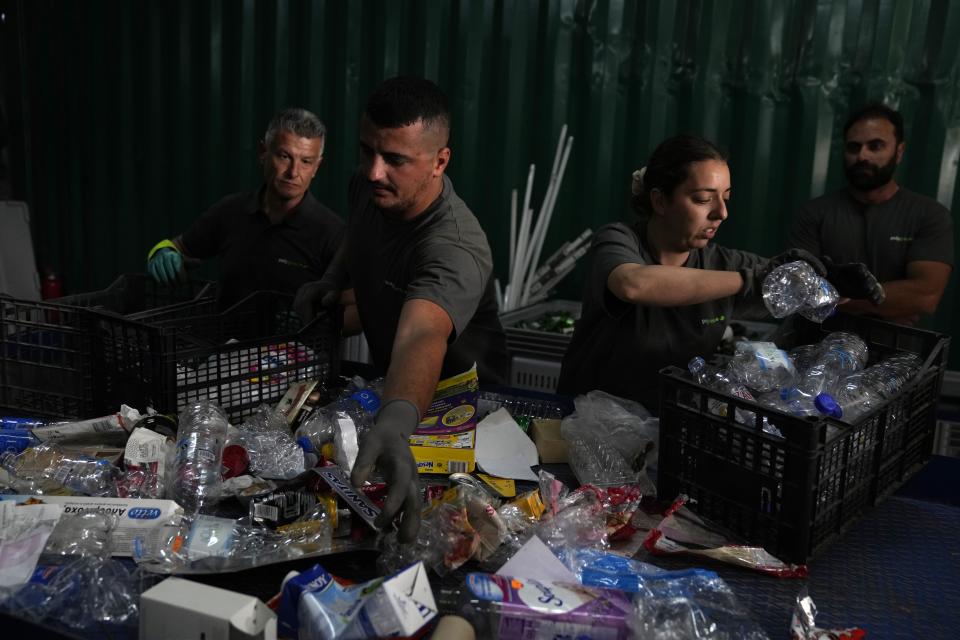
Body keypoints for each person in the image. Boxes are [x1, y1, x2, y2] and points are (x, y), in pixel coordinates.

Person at [295, 77, 508, 542]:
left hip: (467, 424)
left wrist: (394, 424)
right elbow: (356, 234)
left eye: (395, 159)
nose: (374, 171)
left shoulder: (453, 245)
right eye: (367, 150)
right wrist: (332, 280)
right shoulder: (370, 187)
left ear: (439, 162)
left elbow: (420, 334)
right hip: (397, 402)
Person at [557, 134, 871, 412]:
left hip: (663, 424)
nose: (721, 213)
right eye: (703, 199)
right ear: (660, 200)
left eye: (726, 198)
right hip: (585, 418)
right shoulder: (618, 240)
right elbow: (635, 284)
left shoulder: (726, 263)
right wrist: (748, 280)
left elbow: (784, 290)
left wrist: (822, 284)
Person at [146, 108, 345, 310]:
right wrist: (162, 251)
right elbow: (179, 247)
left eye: (306, 162)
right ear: (263, 153)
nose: (293, 172)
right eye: (284, 156)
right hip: (224, 341)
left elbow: (347, 304)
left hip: (293, 342)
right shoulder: (229, 211)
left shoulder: (332, 233)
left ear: (317, 167)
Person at [789, 103, 953, 325]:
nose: (862, 156)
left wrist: (834, 298)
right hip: (820, 346)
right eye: (854, 147)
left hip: (899, 351)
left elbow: (924, 297)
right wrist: (892, 302)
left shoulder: (929, 215)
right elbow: (801, 294)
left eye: (875, 146)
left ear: (899, 152)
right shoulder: (814, 214)